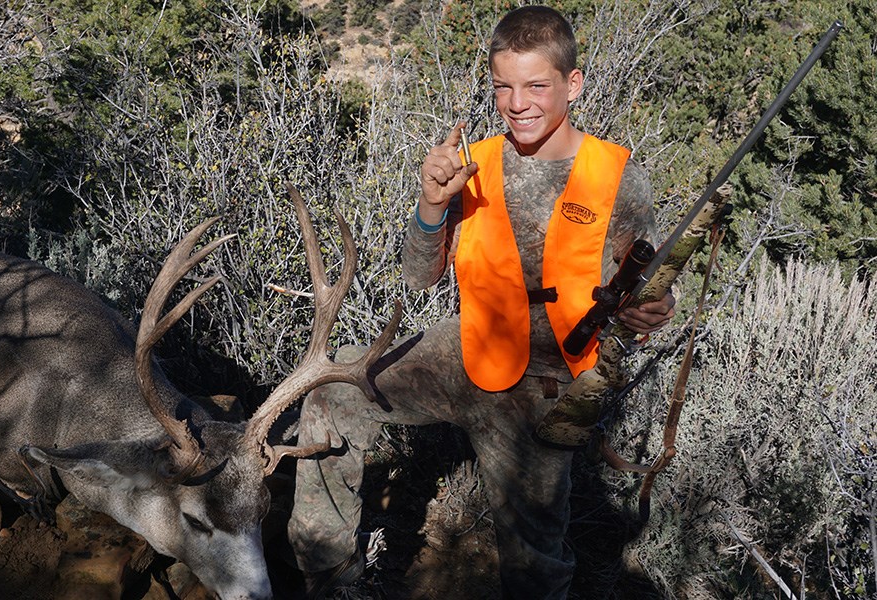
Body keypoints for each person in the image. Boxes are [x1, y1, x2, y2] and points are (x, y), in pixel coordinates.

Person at [286, 5, 675, 599]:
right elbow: (420, 279)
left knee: (535, 564)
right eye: (503, 87)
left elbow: (647, 290)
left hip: (552, 381)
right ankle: (331, 576)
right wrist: (432, 204)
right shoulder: (477, 163)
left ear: (573, 84)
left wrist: (652, 308)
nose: (517, 102)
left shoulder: (618, 178)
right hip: (468, 350)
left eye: (536, 85)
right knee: (334, 390)